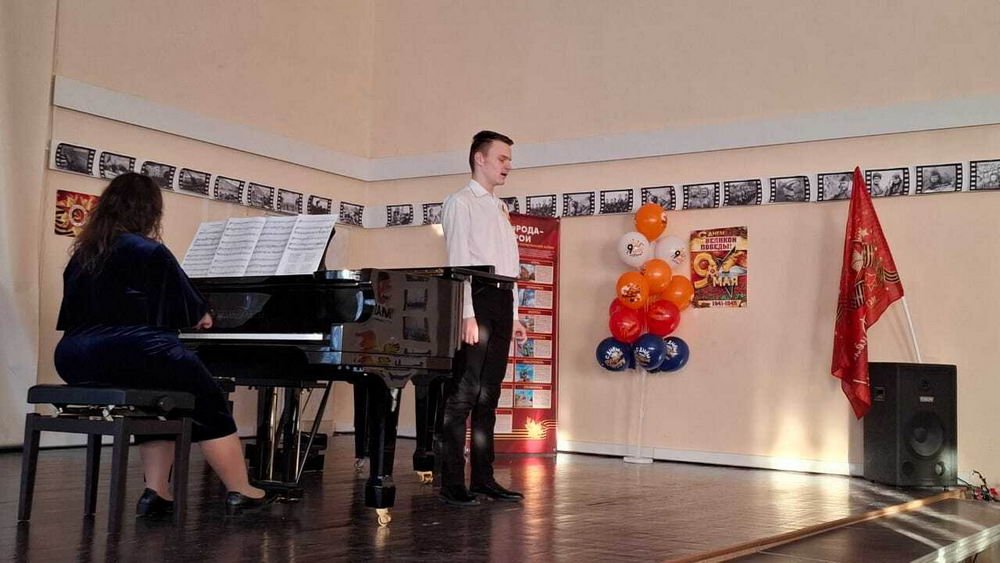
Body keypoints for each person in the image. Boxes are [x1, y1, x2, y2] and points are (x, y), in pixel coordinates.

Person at [53, 173, 276, 517]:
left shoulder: (83, 255)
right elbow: (195, 315)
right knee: (209, 401)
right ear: (150, 212)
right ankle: (241, 490)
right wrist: (203, 312)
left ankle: (156, 493)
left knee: (157, 403)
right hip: (136, 352)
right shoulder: (149, 251)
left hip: (73, 357)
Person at [439, 131, 529, 506]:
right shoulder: (460, 202)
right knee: (463, 394)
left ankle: (483, 478)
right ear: (480, 158)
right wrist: (466, 314)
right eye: (502, 158)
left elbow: (511, 266)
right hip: (475, 295)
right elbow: (457, 260)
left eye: (509, 160)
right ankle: (451, 482)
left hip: (501, 298)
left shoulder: (499, 207)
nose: (508, 165)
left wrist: (515, 315)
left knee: (489, 395)